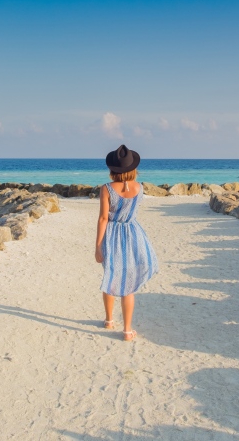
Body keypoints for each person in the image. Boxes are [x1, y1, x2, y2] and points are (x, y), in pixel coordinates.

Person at [94, 144, 159, 341]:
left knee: (111, 275)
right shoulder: (140, 188)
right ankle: (128, 330)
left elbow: (103, 219)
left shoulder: (106, 189)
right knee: (128, 284)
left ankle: (109, 320)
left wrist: (98, 246)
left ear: (112, 169)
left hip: (113, 234)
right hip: (133, 233)